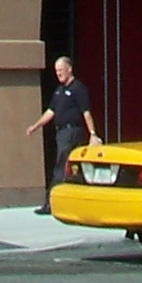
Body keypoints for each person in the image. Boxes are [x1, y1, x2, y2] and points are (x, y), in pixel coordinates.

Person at [25, 55, 98, 210]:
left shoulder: (78, 88)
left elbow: (86, 113)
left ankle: (51, 205)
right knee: (67, 167)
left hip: (71, 132)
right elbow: (51, 112)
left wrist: (93, 134)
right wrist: (35, 126)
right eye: (56, 70)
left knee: (62, 167)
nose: (58, 73)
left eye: (60, 70)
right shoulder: (59, 91)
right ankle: (64, 202)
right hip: (61, 133)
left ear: (69, 69)